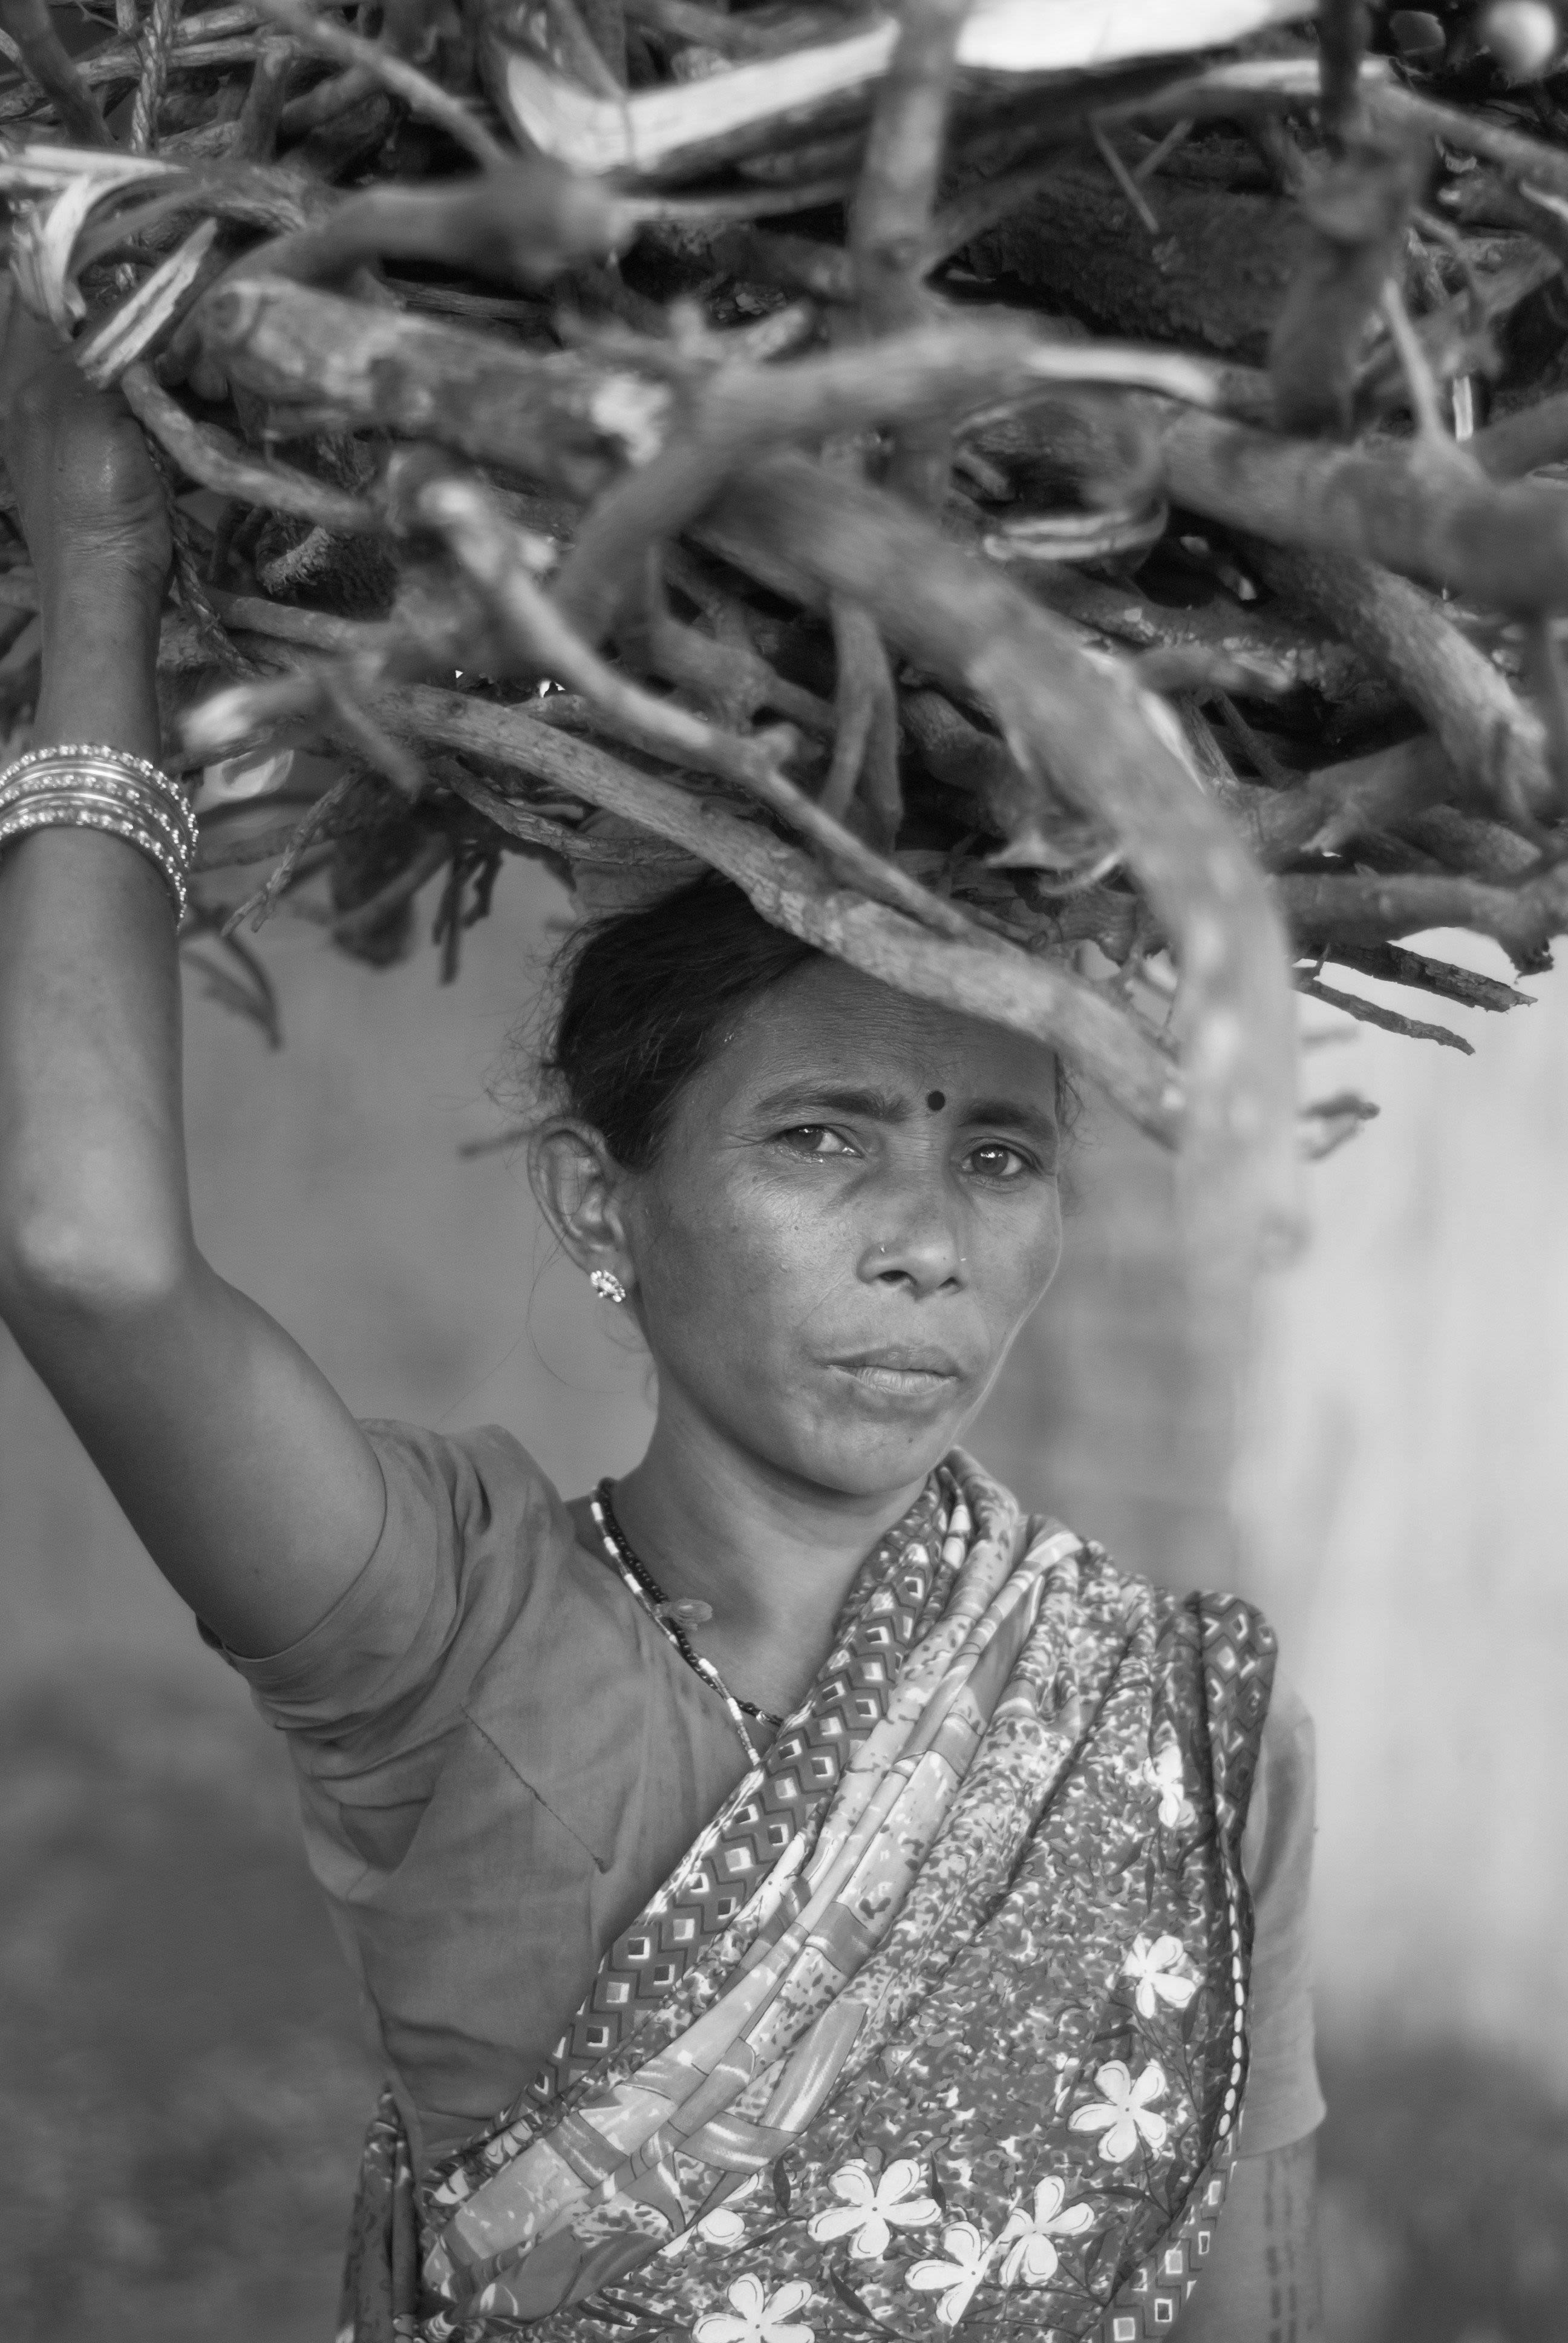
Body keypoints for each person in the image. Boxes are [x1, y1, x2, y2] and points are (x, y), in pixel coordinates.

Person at [0, 302, 1324, 2343]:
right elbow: (86, 1254)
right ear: (599, 1198)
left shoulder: (1182, 1724)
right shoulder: (447, 1632)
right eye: (822, 1137)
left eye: (997, 1154)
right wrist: (99, 557)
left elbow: (1253, 2305)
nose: (926, 1242)